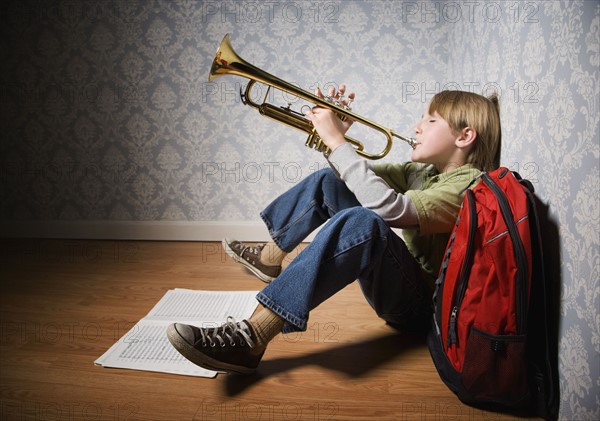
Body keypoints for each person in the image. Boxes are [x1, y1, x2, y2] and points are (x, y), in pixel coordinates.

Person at [166, 87, 502, 375]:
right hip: (403, 285)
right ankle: (270, 258)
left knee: (365, 221)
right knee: (330, 183)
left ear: (464, 136)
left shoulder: (467, 186)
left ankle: (251, 338)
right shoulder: (423, 171)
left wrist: (337, 140)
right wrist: (335, 136)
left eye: (430, 120)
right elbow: (350, 178)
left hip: (424, 308)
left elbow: (391, 210)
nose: (416, 127)